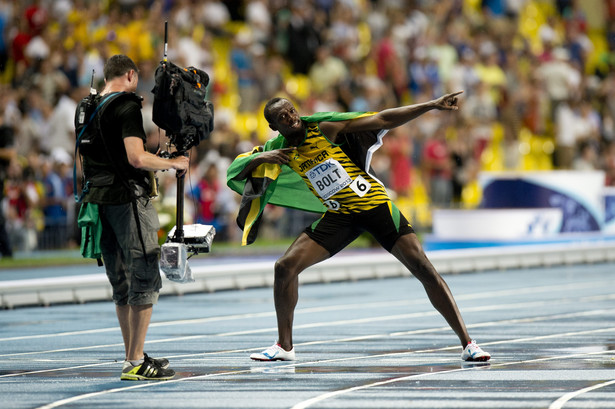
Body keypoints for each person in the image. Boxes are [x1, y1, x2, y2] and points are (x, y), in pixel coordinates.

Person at [227, 92, 491, 362]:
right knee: (284, 267)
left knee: (423, 267)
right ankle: (284, 346)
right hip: (340, 215)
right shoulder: (280, 149)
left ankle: (468, 344)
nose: (291, 118)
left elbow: (381, 118)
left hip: (374, 206)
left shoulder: (324, 127)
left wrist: (431, 105)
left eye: (292, 111)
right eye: (283, 117)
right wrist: (264, 158)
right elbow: (236, 171)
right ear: (274, 126)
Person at [78, 55, 189, 380]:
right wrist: (174, 163)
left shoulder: (86, 106)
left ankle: (131, 357)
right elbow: (136, 158)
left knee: (120, 279)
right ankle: (137, 360)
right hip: (127, 200)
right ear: (130, 75)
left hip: (97, 201)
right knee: (143, 273)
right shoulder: (126, 106)